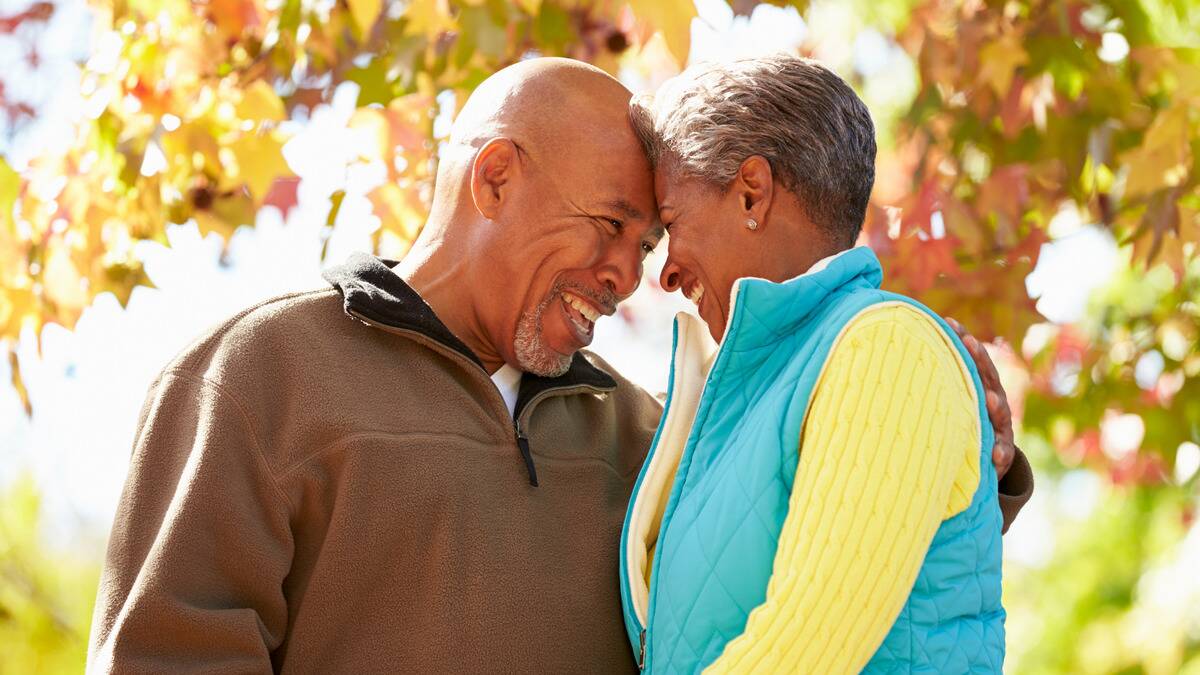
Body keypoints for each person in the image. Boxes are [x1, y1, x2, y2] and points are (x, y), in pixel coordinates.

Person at [88, 58, 1030, 674]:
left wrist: (968, 445)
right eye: (611, 225)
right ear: (495, 176)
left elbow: (812, 553)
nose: (631, 275)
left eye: (653, 236)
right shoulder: (258, 376)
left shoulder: (651, 435)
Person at [619, 54, 1019, 674]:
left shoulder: (889, 349)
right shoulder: (750, 403)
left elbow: (801, 651)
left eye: (672, 225)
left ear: (753, 192)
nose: (665, 273)